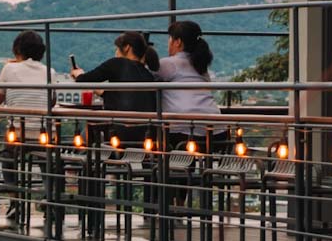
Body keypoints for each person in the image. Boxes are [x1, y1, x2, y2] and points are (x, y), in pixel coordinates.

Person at [0, 30, 56, 228]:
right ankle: (50, 199)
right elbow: (52, 101)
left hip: (18, 134)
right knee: (47, 162)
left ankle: (15, 201)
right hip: (45, 133)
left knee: (6, 158)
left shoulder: (9, 70)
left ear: (17, 49)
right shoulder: (50, 72)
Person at [70, 31, 158, 144]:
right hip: (146, 134)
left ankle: (87, 157)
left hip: (119, 131)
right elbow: (128, 98)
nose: (116, 53)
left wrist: (78, 74)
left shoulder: (117, 63)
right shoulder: (148, 74)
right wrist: (101, 92)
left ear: (127, 48)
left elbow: (85, 79)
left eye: (117, 49)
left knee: (91, 124)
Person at [157, 20, 224, 149]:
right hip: (217, 128)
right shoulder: (201, 67)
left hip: (184, 130)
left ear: (178, 42)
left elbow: (142, 75)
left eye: (170, 38)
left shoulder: (168, 64)